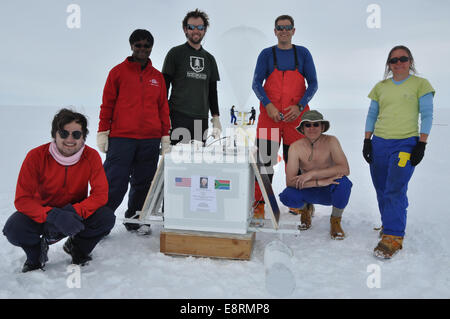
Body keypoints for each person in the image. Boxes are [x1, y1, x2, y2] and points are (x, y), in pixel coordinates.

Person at [2, 109, 115, 272]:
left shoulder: (91, 157)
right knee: (14, 228)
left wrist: (74, 212)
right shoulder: (36, 156)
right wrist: (52, 215)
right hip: (42, 215)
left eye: (76, 134)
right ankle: (35, 255)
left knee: (105, 217)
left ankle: (77, 247)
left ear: (83, 137)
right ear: (55, 134)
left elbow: (100, 194)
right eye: (64, 133)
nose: (70, 139)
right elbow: (23, 199)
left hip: (74, 217)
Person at [363, 45, 435, 259]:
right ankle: (388, 224)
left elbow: (428, 115)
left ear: (410, 61)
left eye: (403, 59)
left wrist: (421, 144)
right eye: (394, 60)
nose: (399, 63)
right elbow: (371, 115)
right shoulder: (381, 87)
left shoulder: (421, 84)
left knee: (395, 187)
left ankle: (394, 236)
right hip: (379, 143)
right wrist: (367, 140)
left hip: (405, 143)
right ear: (389, 64)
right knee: (381, 187)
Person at [97, 29, 170, 231]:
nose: (142, 49)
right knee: (113, 182)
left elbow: (163, 107)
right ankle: (99, 223)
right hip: (122, 138)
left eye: (146, 46)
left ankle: (135, 219)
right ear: (131, 46)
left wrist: (165, 136)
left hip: (150, 138)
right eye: (138, 45)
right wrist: (103, 132)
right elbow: (107, 104)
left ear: (151, 48)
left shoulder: (157, 77)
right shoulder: (117, 72)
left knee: (144, 182)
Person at [252, 14, 318, 219]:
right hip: (269, 117)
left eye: (287, 27)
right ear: (275, 31)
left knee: (297, 163)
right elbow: (256, 84)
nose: (284, 31)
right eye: (280, 28)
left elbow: (313, 84)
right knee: (265, 162)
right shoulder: (266, 55)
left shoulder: (303, 54)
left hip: (296, 120)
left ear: (293, 30)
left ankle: (298, 202)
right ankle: (259, 203)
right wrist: (268, 105)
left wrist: (299, 107)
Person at [279, 110, 352, 239]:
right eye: (307, 125)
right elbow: (290, 182)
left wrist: (313, 173)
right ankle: (305, 210)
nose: (312, 128)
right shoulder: (296, 147)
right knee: (287, 195)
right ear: (302, 128)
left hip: (329, 189)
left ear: (322, 127)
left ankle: (335, 220)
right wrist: (318, 182)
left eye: (316, 124)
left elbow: (345, 169)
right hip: (309, 188)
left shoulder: (331, 141)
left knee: (344, 184)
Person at [162, 9, 222, 145]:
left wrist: (216, 118)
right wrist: (164, 116)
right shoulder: (175, 53)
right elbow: (163, 87)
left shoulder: (210, 59)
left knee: (197, 162)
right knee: (177, 162)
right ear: (185, 29)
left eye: (200, 27)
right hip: (178, 116)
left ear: (205, 30)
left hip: (201, 119)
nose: (196, 31)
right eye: (191, 27)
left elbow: (212, 92)